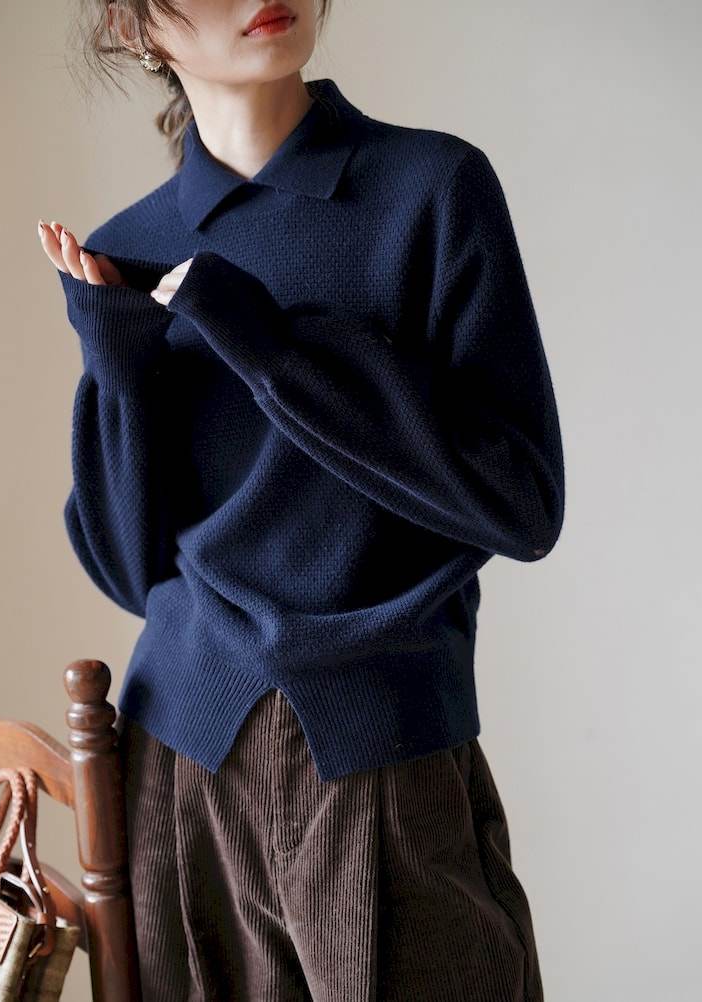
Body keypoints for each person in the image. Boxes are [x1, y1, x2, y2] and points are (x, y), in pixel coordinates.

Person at [38, 2, 565, 999]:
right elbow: (128, 571)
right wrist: (119, 368)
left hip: (381, 755)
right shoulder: (131, 246)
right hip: (178, 765)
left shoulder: (431, 188)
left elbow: (522, 504)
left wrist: (272, 348)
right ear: (133, 27)